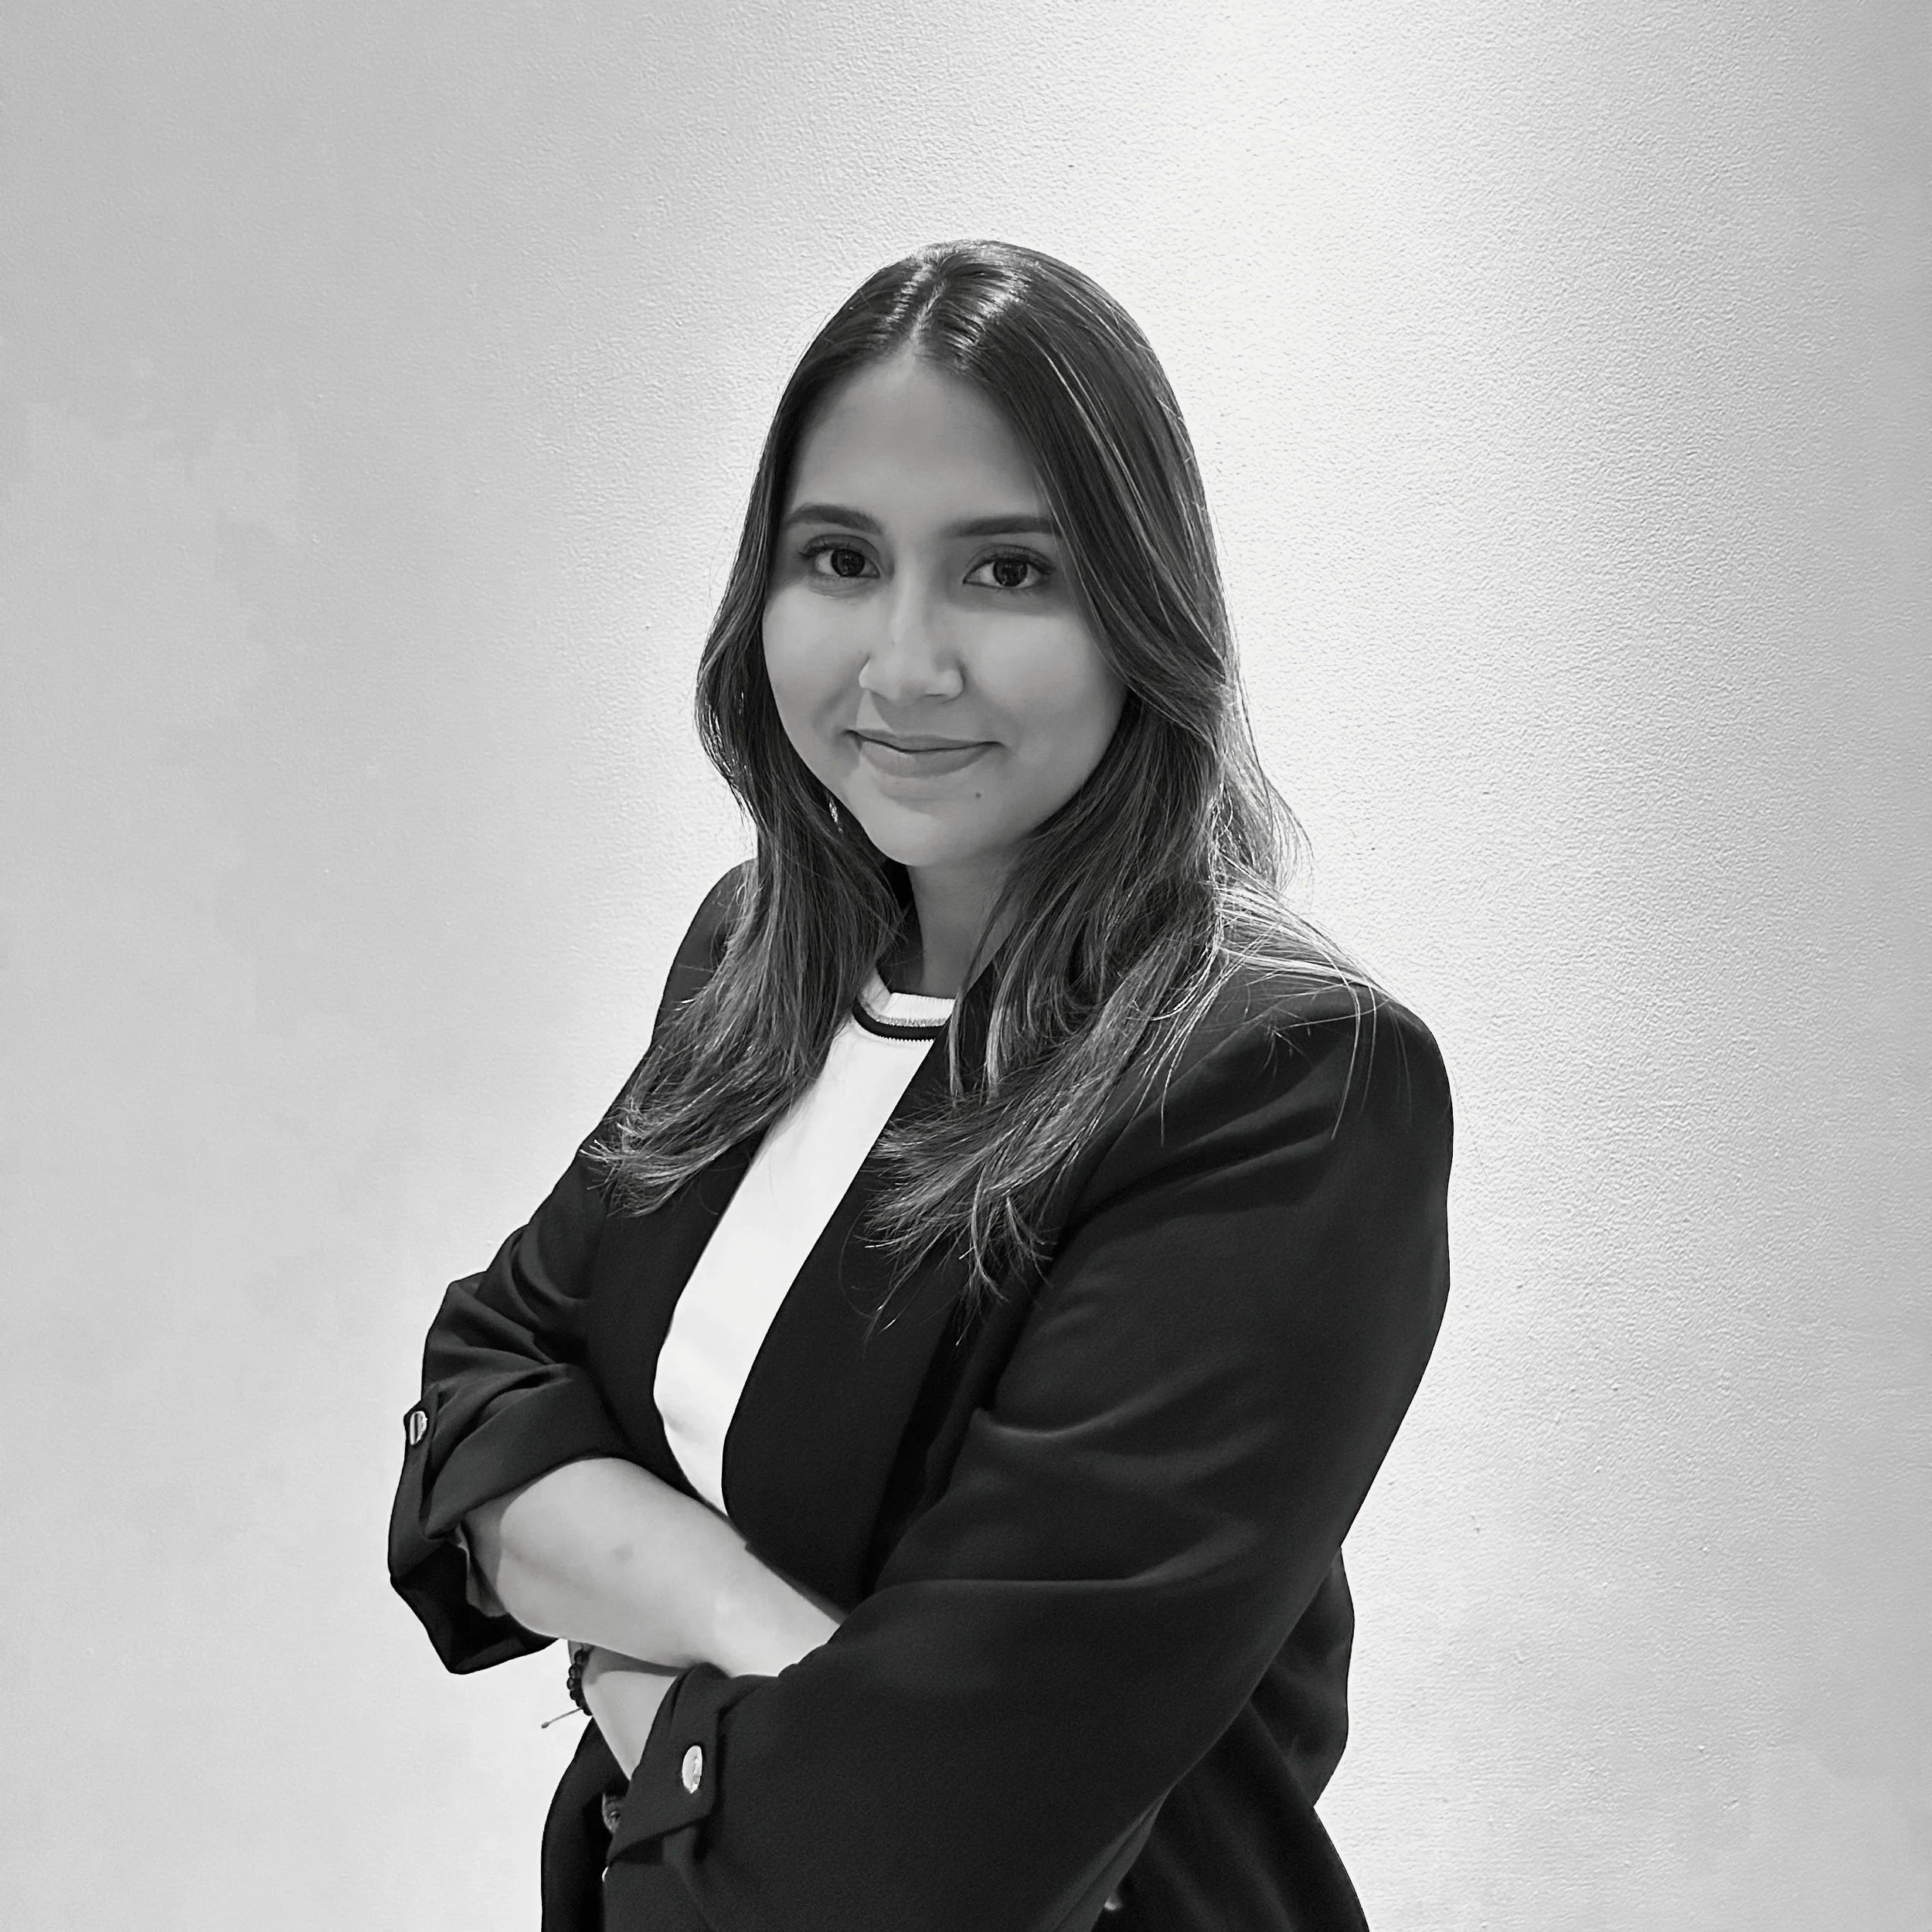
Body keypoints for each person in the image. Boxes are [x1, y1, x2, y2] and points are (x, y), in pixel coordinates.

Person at [387, 237, 1454, 1932]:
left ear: (1139, 609)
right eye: (839, 558)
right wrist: (757, 1635)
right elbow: (483, 1383)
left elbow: (913, 1857)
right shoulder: (758, 967)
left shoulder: (1280, 1084)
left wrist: (638, 1686)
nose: (901, 663)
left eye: (1006, 572)